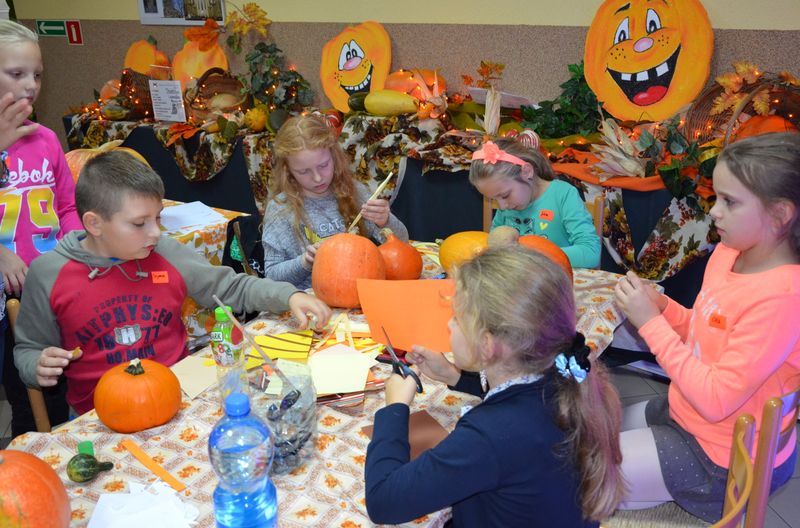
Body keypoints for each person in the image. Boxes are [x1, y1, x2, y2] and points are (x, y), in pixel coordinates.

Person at [13, 151, 331, 417]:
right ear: (94, 223)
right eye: (139, 223)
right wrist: (36, 365)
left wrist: (289, 296)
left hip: (180, 396)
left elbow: (232, 288)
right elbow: (28, 349)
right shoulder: (49, 273)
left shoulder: (164, 251)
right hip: (99, 416)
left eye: (158, 218)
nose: (155, 233)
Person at [365, 245, 624, 527]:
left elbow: (383, 502)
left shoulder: (488, 435)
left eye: (457, 318)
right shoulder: (562, 376)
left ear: (487, 345)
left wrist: (395, 407)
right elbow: (519, 404)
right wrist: (453, 375)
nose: (450, 325)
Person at [614, 132, 800, 521]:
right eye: (715, 196)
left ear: (781, 215)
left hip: (721, 458)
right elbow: (703, 329)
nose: (714, 212)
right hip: (689, 411)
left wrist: (650, 324)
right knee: (598, 430)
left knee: (577, 476)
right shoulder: (729, 254)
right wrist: (662, 307)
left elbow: (716, 399)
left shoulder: (783, 296)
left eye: (730, 202)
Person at [0, 20, 82, 437]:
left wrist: (69, 243)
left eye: (37, 74)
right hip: (4, 298)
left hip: (45, 286)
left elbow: (66, 206)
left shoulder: (47, 140)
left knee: (52, 382)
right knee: (18, 389)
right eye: (16, 74)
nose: (30, 85)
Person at [262, 115, 408, 289]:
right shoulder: (280, 210)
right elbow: (271, 277)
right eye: (303, 171)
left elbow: (403, 245)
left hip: (362, 291)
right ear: (288, 171)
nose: (317, 178)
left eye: (323, 165)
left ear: (334, 155)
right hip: (311, 302)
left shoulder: (356, 192)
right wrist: (304, 262)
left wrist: (386, 221)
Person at [469, 138, 600, 268]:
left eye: (505, 195)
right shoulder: (508, 205)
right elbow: (494, 247)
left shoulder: (562, 194)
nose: (502, 206)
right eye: (494, 199)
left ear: (526, 172)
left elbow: (591, 252)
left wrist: (532, 254)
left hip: (557, 284)